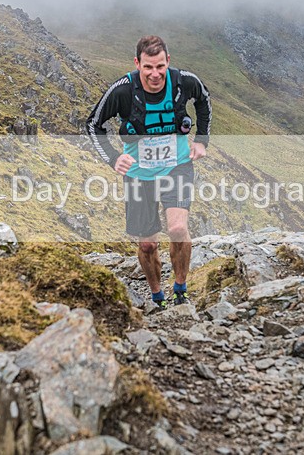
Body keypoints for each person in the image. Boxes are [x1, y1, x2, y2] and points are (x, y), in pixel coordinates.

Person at [86, 36, 211, 309]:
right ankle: (157, 296)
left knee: (178, 228)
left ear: (168, 62)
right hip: (139, 173)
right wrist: (112, 157)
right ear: (137, 64)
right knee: (147, 245)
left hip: (176, 165)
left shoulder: (183, 81)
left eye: (160, 67)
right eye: (148, 67)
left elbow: (203, 99)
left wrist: (202, 139)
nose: (155, 74)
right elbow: (93, 124)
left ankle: (180, 289)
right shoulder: (122, 90)